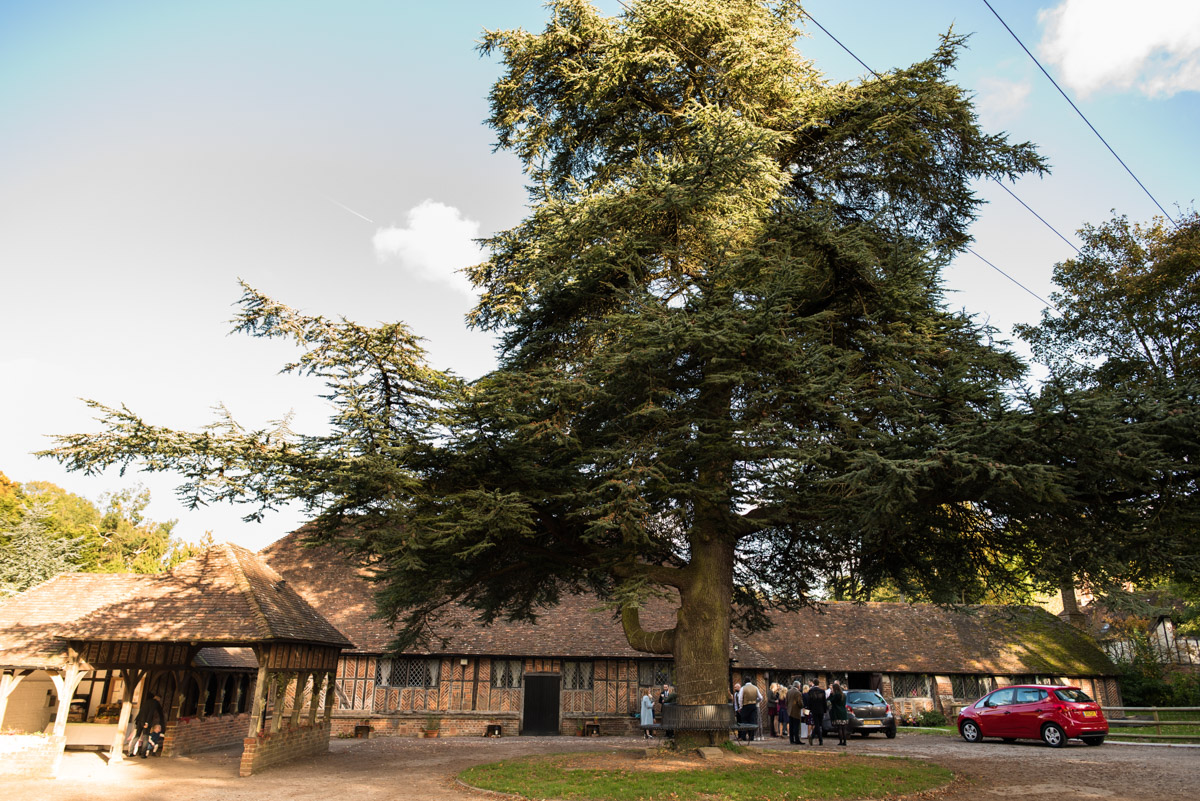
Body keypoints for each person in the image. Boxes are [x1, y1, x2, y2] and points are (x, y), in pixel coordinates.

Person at [130, 692, 165, 757]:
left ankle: (130, 752)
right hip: (146, 721)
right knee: (146, 737)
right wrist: (147, 722)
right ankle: (143, 753)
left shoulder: (147, 702)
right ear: (158, 698)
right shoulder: (155, 703)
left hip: (139, 720)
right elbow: (150, 713)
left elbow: (142, 712)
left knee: (137, 736)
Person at [737, 675, 761, 741]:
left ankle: (744, 737)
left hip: (745, 706)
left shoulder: (743, 688)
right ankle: (751, 737)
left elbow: (740, 698)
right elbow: (760, 697)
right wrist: (755, 701)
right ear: (750, 681)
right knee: (752, 721)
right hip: (753, 706)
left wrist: (741, 706)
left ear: (744, 682)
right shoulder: (755, 688)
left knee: (744, 722)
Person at [805, 680, 827, 746]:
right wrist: (825, 710)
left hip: (814, 710)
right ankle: (820, 740)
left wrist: (809, 709)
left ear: (813, 683)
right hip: (821, 710)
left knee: (817, 724)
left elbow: (809, 702)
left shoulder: (811, 691)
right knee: (819, 724)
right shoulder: (822, 691)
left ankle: (813, 736)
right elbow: (824, 702)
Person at [828, 681, 849, 746]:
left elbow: (830, 700)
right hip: (843, 712)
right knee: (844, 728)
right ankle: (845, 741)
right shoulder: (844, 695)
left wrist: (831, 694)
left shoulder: (836, 695)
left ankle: (840, 741)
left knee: (839, 728)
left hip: (838, 712)